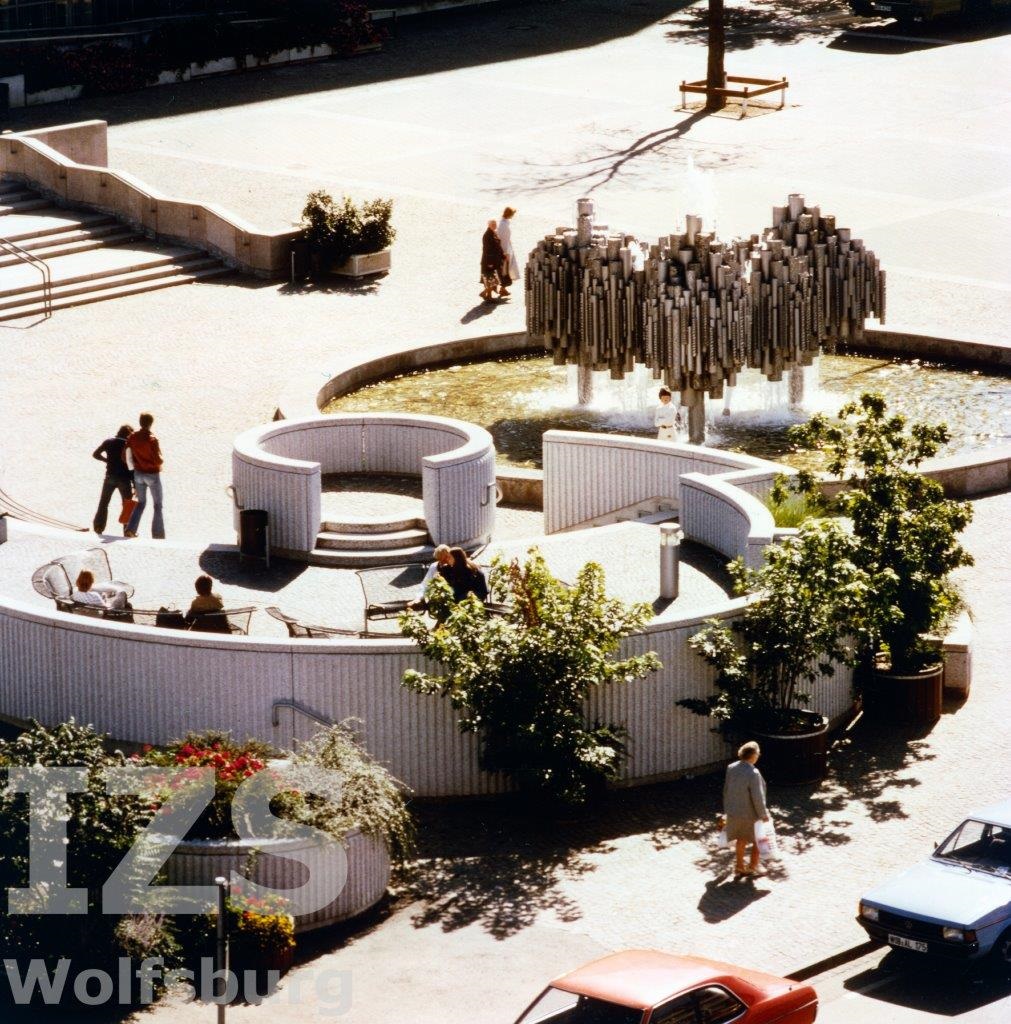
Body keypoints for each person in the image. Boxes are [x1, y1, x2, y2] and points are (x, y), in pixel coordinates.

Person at [722, 741, 770, 878]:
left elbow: (726, 790)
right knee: (758, 840)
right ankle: (753, 866)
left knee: (741, 839)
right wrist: (763, 814)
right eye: (758, 753)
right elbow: (758, 797)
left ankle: (739, 866)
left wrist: (727, 808)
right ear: (753, 755)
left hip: (734, 811)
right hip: (750, 813)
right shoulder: (753, 773)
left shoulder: (731, 767)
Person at [124, 412, 164, 539]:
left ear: (140, 422)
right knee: (157, 505)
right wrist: (161, 460)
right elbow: (158, 460)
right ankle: (157, 534)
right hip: (152, 474)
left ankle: (131, 529)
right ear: (151, 424)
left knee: (141, 503)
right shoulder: (152, 439)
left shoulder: (132, 437)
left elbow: (125, 456)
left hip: (138, 474)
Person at [91, 424, 134, 535]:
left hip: (110, 477)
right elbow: (130, 466)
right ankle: (127, 530)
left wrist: (106, 461)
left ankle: (99, 527)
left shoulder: (108, 442)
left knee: (104, 502)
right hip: (124, 479)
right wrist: (135, 483)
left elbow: (95, 454)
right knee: (127, 504)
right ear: (128, 434)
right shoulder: (128, 446)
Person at [410, 545, 454, 610]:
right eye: (440, 560)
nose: (442, 562)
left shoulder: (453, 566)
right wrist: (418, 598)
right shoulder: (434, 566)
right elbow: (426, 583)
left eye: (445, 559)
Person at [480, 220, 507, 301]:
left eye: (495, 224)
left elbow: (498, 246)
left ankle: (485, 294)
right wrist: (490, 262)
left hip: (494, 261)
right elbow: (487, 250)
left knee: (492, 279)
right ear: (489, 225)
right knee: (490, 279)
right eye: (492, 224)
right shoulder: (487, 235)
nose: (494, 225)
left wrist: (503, 256)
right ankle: (488, 295)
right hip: (489, 261)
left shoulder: (493, 233)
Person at [496, 207, 520, 295]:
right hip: (505, 251)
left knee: (506, 270)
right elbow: (504, 240)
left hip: (506, 249)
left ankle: (502, 288)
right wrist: (505, 253)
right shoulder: (504, 226)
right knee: (505, 271)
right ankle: (502, 289)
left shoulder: (504, 223)